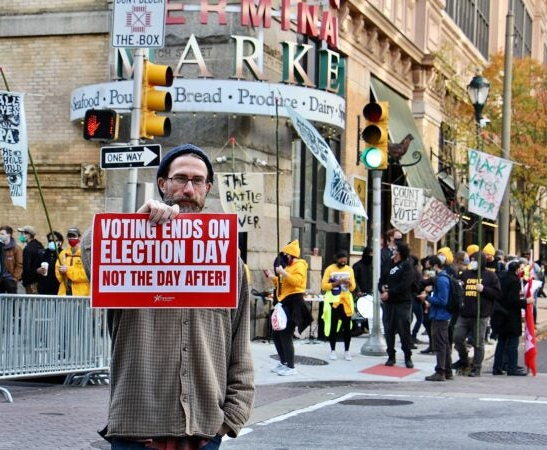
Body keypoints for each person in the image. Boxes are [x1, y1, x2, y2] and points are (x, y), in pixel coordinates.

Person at [81, 144, 254, 448]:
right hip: (138, 428)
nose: (188, 189)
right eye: (180, 178)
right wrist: (134, 225)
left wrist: (230, 418)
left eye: (197, 180)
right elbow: (89, 251)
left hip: (201, 430)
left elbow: (239, 345)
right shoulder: (130, 247)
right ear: (162, 184)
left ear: (207, 188)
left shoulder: (228, 259)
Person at [264, 239, 310, 376]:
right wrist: (273, 276)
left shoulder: (300, 265)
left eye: (286, 255)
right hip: (285, 302)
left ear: (290, 255)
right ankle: (283, 362)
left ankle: (291, 366)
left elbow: (297, 282)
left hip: (294, 302)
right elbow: (283, 283)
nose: (284, 258)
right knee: (276, 333)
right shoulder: (289, 267)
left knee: (285, 333)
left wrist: (283, 272)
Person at [453, 251, 502, 377]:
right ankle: (464, 360)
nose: (472, 262)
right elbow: (459, 290)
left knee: (478, 342)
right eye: (471, 259)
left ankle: (476, 367)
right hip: (464, 313)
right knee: (457, 337)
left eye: (475, 260)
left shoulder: (491, 276)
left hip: (481, 314)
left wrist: (484, 290)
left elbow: (497, 294)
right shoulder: (465, 274)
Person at [379, 241, 415, 368]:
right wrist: (381, 288)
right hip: (389, 304)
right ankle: (391, 356)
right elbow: (381, 279)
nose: (393, 250)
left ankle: (407, 356)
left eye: (395, 248)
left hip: (402, 302)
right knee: (389, 329)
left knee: (403, 330)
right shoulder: (388, 264)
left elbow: (405, 284)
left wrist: (390, 293)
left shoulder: (407, 265)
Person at [492, 260, 530, 376]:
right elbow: (513, 300)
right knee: (513, 342)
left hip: (500, 314)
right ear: (518, 269)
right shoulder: (514, 281)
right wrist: (525, 302)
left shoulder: (501, 277)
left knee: (502, 342)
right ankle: (511, 367)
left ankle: (498, 367)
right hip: (511, 316)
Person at [321, 249, 356, 361]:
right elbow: (324, 286)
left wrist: (349, 283)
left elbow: (353, 287)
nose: (343, 260)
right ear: (336, 259)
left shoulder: (349, 269)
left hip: (346, 300)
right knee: (333, 325)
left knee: (347, 327)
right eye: (341, 258)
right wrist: (337, 283)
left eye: (345, 259)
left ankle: (347, 350)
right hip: (334, 300)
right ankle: (332, 350)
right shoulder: (330, 269)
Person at [425, 255, 453, 381]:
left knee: (440, 344)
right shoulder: (444, 278)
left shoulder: (441, 280)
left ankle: (440, 371)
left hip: (440, 316)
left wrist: (427, 298)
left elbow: (442, 300)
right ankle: (447, 370)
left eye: (429, 268)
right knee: (444, 343)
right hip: (441, 315)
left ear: (435, 266)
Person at [55, 227, 90, 296]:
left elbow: (87, 275)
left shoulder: (85, 254)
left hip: (81, 295)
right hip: (64, 293)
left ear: (79, 237)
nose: (71, 238)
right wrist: (60, 272)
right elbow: (57, 274)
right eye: (69, 236)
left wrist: (68, 270)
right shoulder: (63, 253)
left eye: (74, 236)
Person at [0, 225, 22, 293]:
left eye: (2, 234)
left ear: (9, 235)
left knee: (11, 300)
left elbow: (19, 264)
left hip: (10, 279)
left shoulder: (16, 248)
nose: (0, 236)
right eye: (0, 234)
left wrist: (15, 278)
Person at [19, 225, 44, 294]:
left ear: (28, 235)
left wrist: (25, 281)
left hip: (31, 283)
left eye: (22, 233)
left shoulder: (28, 249)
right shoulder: (39, 246)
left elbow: (27, 268)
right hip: (38, 281)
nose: (21, 236)